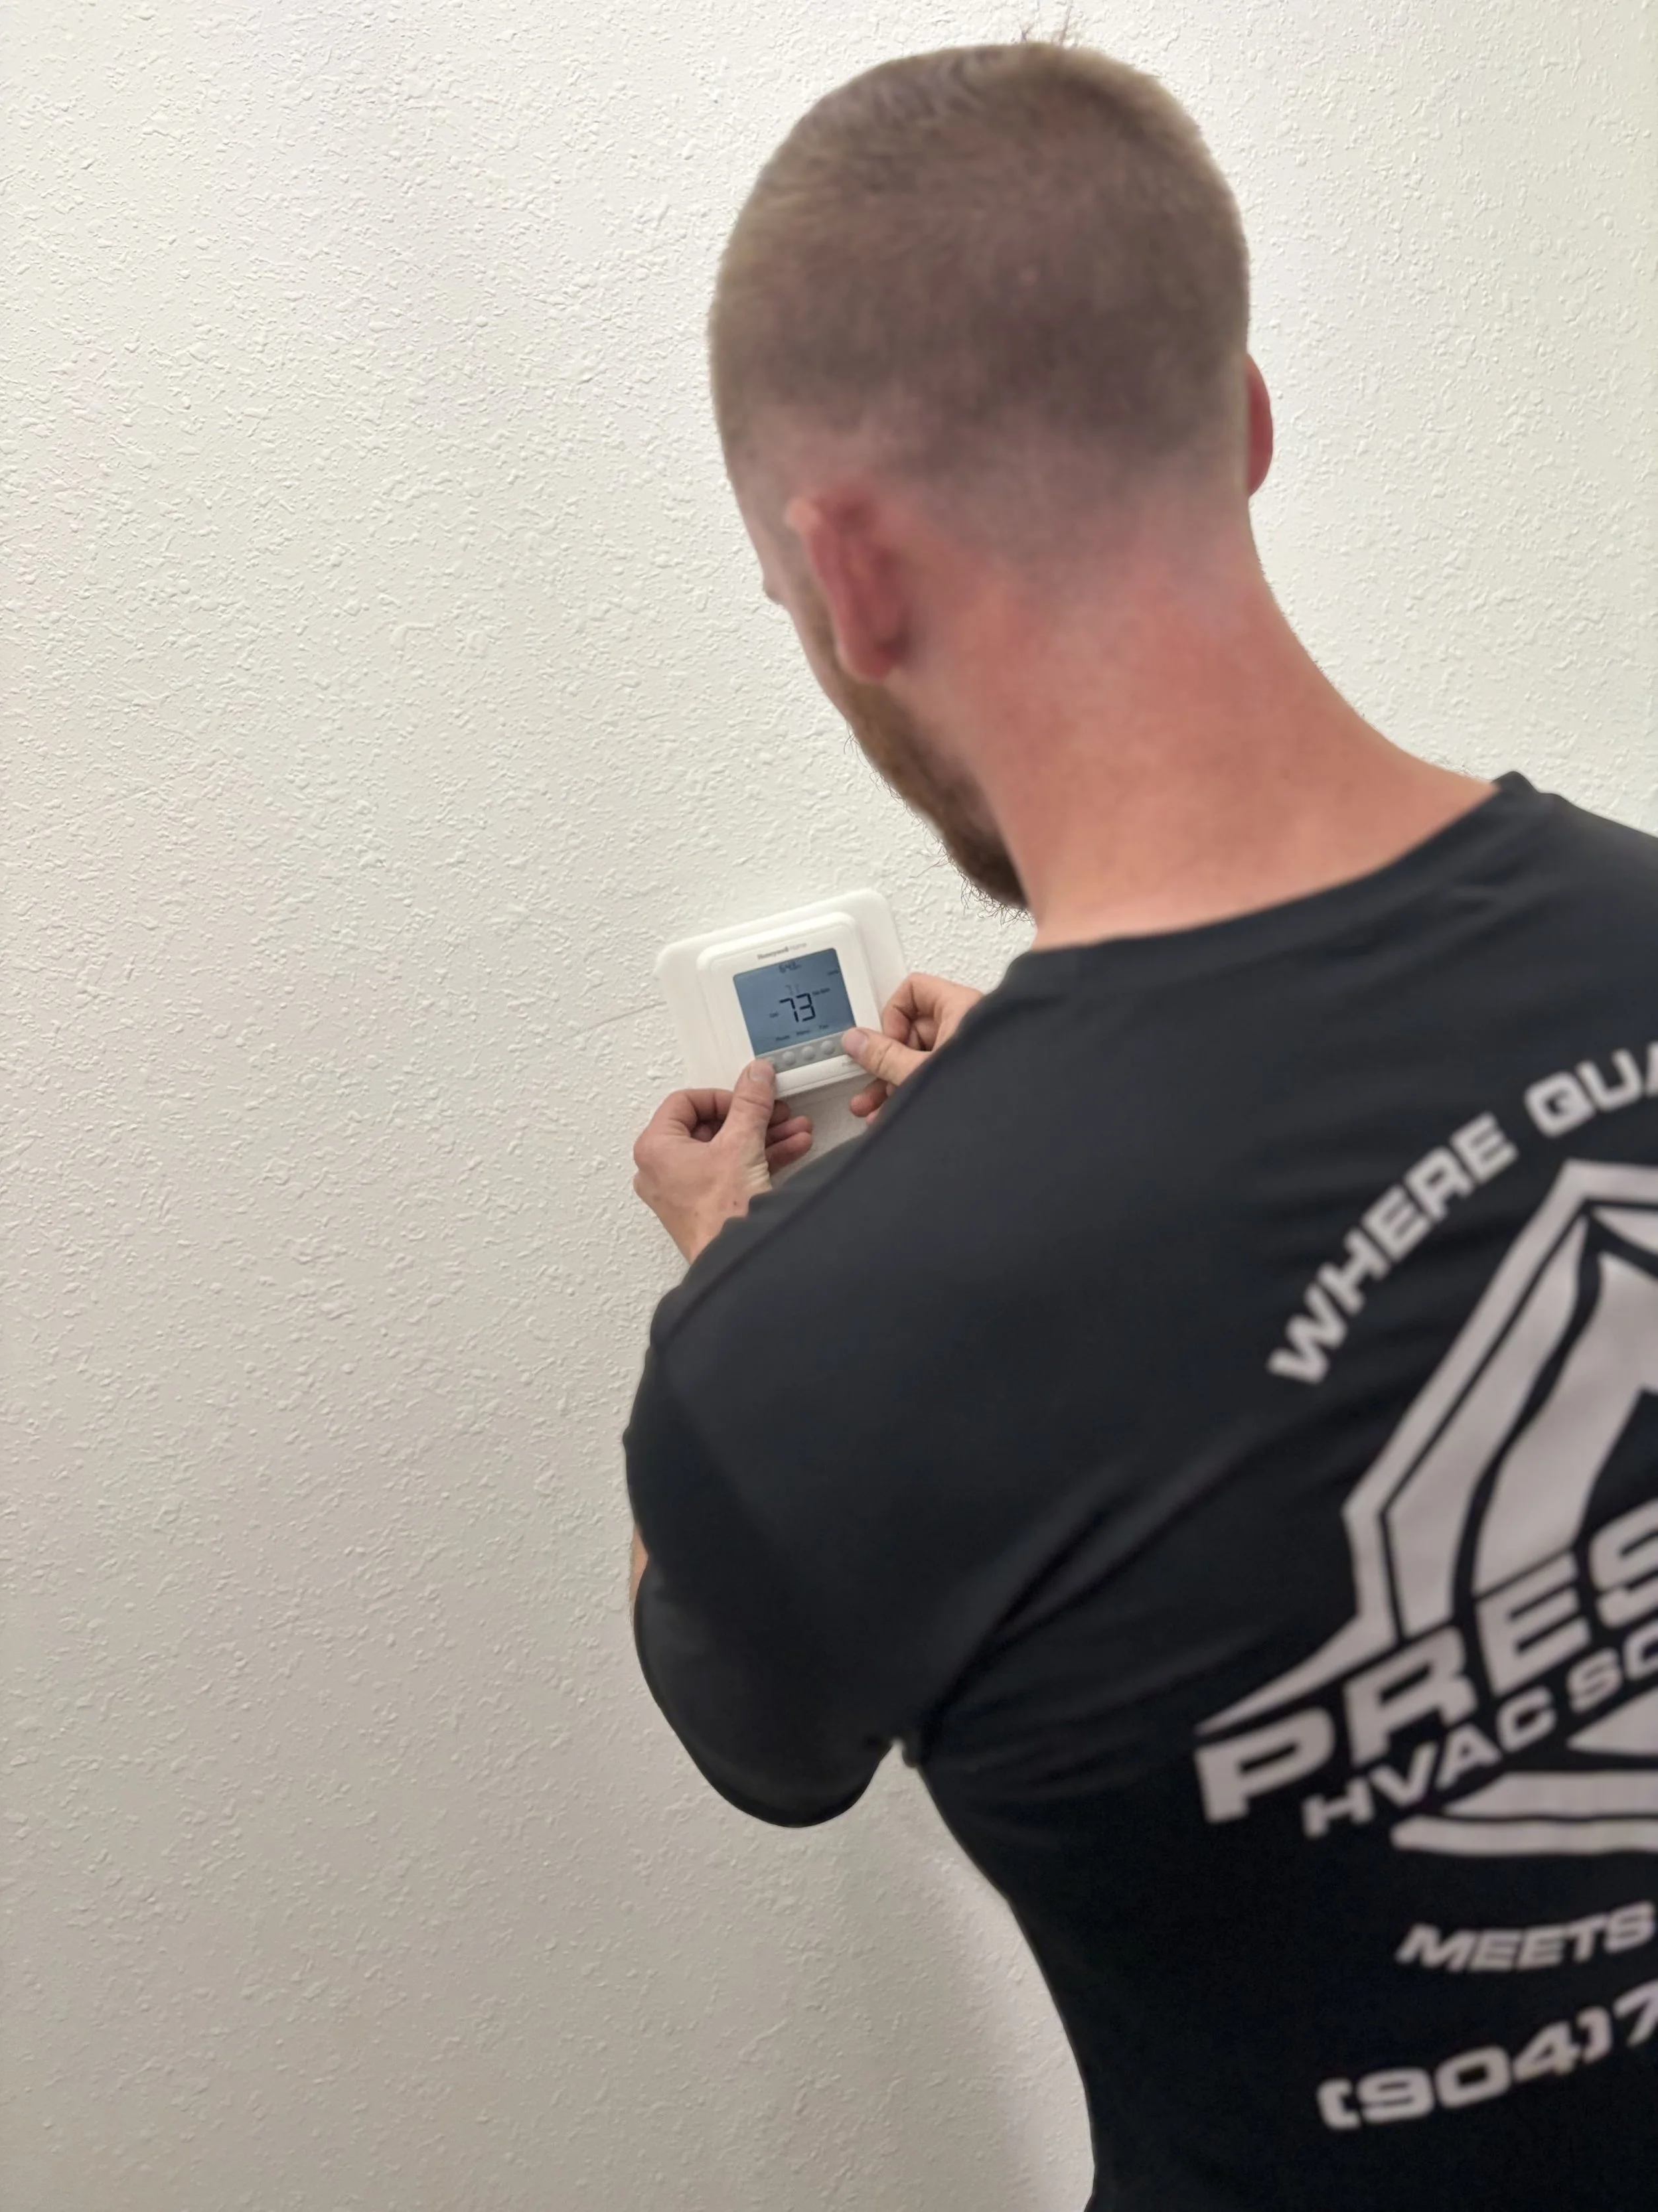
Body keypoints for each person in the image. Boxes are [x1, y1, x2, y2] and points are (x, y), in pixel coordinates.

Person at [622, 41, 1658, 2211]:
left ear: (845, 572)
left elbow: (760, 1734)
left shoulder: (796, 1367)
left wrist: (752, 1278)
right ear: (1253, 421)